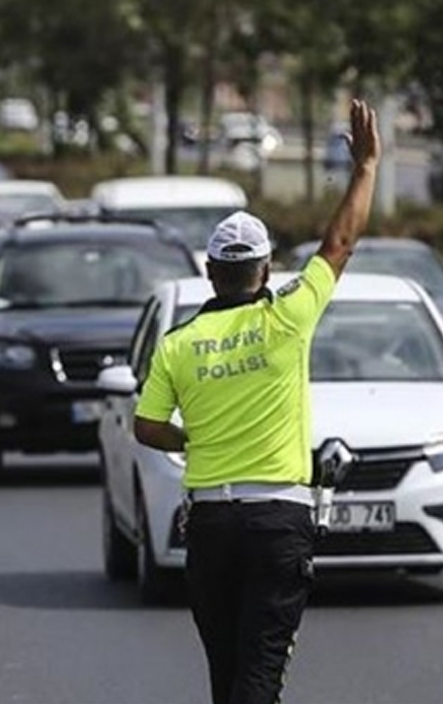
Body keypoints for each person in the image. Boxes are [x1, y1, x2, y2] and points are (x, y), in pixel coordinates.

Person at [133, 99, 381, 704]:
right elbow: (340, 242)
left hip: (212, 525)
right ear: (266, 270)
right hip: (278, 523)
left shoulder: (179, 344)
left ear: (212, 273)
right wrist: (366, 167)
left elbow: (145, 427)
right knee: (260, 674)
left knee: (228, 675)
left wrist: (193, 439)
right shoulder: (289, 318)